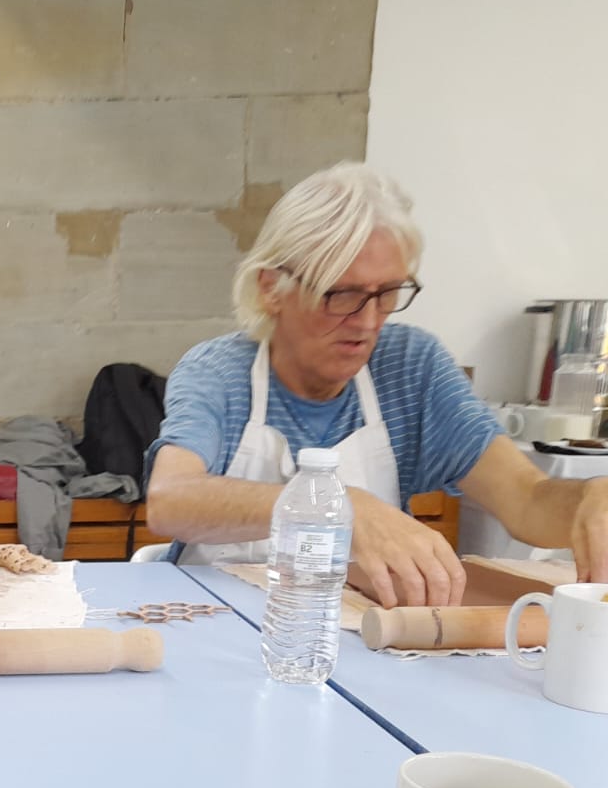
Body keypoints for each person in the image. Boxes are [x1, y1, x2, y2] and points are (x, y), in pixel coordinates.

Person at [146, 162, 608, 607]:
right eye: (341, 294)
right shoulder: (221, 372)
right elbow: (171, 500)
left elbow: (526, 500)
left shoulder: (410, 369)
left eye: (387, 293)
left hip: (359, 646)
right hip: (216, 631)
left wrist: (589, 497)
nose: (368, 322)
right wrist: (340, 506)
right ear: (272, 288)